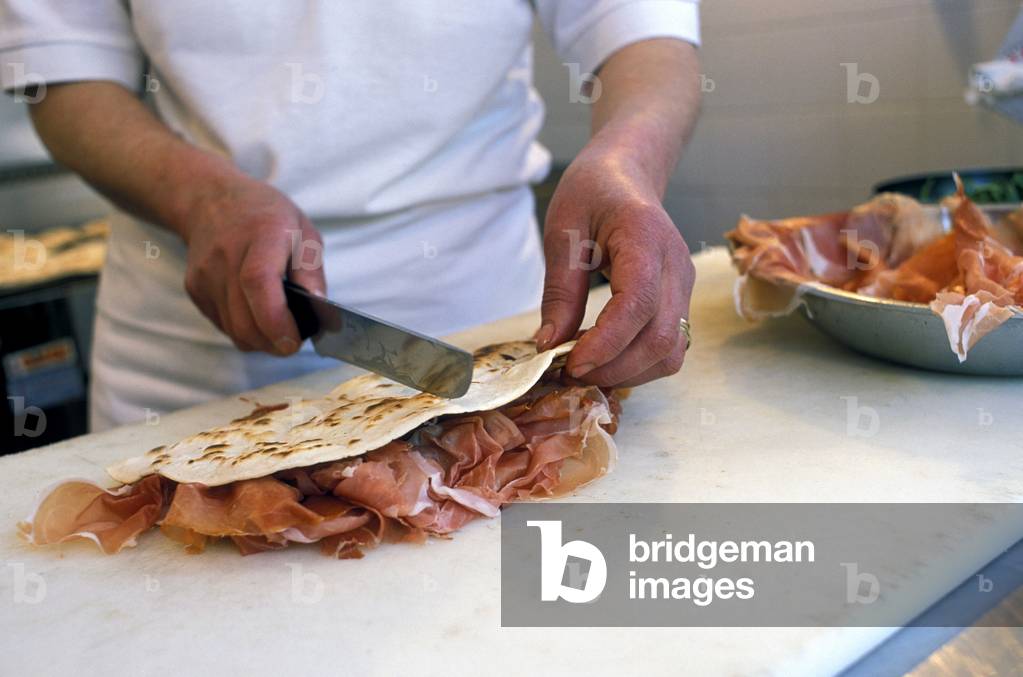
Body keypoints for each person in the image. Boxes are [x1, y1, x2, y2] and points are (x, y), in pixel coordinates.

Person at [0, 1, 701, 431]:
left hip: (485, 345)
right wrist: (203, 198)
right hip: (191, 364)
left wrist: (624, 165)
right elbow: (63, 75)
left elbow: (645, 37)